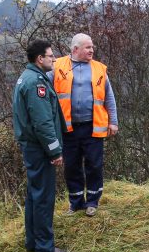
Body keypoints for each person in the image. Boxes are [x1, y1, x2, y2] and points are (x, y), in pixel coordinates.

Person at [50, 33, 119, 217]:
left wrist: (113, 121)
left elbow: (109, 97)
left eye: (92, 47)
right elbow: (47, 93)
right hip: (68, 129)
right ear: (75, 49)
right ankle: (75, 203)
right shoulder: (57, 66)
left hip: (92, 126)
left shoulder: (99, 69)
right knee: (71, 165)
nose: (92, 50)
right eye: (88, 47)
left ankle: (93, 202)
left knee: (94, 165)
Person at [12, 39, 67, 252]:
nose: (54, 59)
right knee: (43, 197)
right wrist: (55, 151)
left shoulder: (27, 78)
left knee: (34, 195)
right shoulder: (36, 83)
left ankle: (32, 242)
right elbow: (43, 123)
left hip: (31, 147)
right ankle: (44, 246)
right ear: (39, 59)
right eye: (50, 55)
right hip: (39, 149)